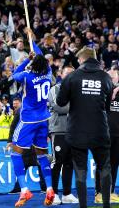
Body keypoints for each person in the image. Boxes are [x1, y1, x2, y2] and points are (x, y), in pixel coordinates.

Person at [57, 47, 113, 208]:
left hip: (77, 131)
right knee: (104, 168)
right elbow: (108, 106)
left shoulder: (72, 77)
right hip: (100, 131)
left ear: (81, 60)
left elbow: (60, 102)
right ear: (94, 59)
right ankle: (106, 205)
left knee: (80, 170)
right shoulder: (106, 77)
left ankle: (83, 206)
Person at [11, 41, 55, 207]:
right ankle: (49, 189)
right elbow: (42, 57)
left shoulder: (26, 76)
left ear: (32, 64)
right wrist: (33, 41)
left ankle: (24, 190)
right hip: (44, 120)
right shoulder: (48, 73)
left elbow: (14, 73)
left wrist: (25, 61)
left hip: (28, 120)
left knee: (15, 153)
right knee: (42, 155)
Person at [48, 65, 78, 205]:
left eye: (73, 74)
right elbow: (58, 107)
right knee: (57, 163)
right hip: (58, 130)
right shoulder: (55, 89)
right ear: (61, 74)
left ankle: (67, 193)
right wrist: (77, 106)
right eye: (68, 73)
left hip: (73, 131)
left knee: (69, 163)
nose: (70, 76)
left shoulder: (78, 90)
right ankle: (53, 195)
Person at [94, 68, 119, 204]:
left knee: (114, 164)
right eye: (109, 77)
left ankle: (111, 191)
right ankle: (99, 192)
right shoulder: (101, 92)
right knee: (102, 164)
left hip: (117, 135)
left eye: (114, 77)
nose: (111, 79)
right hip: (103, 134)